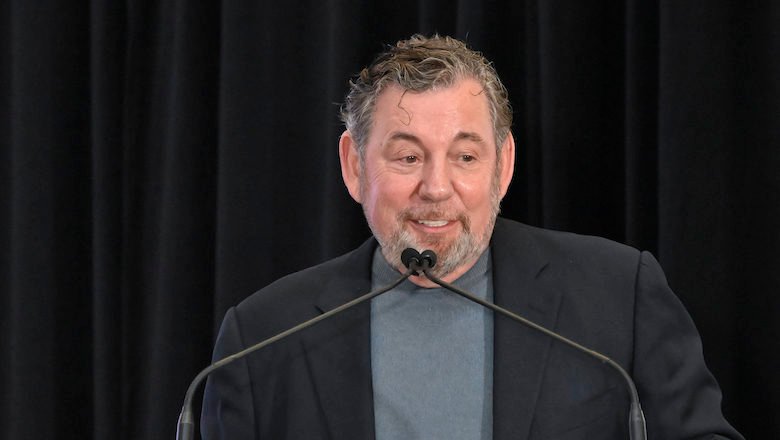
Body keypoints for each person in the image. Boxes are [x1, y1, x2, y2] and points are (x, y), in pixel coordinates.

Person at [201, 35, 742, 440]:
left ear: (503, 166)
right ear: (354, 165)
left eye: (464, 156)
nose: (437, 188)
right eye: (407, 157)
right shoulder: (261, 339)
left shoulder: (620, 296)